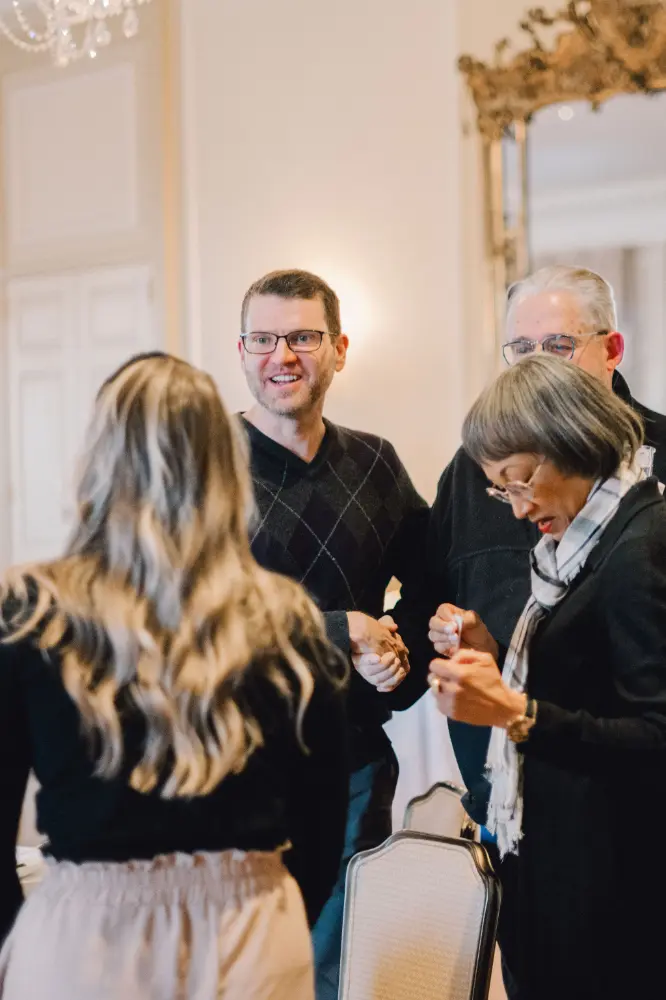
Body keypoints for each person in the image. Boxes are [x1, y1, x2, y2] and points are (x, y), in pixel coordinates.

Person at [0, 353, 350, 1000]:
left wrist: (22, 942)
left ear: (98, 459)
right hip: (250, 930)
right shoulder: (286, 623)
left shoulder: (30, 614)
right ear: (225, 468)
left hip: (83, 937)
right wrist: (271, 916)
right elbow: (324, 821)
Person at [429, 355, 666, 1000]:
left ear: (573, 438)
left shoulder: (637, 551)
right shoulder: (583, 546)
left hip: (615, 890)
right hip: (570, 866)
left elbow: (655, 736)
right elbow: (589, 681)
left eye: (520, 480)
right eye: (500, 489)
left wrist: (515, 712)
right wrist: (495, 651)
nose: (516, 508)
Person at [237, 269, 430, 1000]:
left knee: (329, 971)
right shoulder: (208, 466)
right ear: (242, 349)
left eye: (303, 337)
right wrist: (335, 629)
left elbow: (430, 582)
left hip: (352, 763)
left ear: (339, 349)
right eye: (263, 338)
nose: (281, 355)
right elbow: (189, 614)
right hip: (234, 761)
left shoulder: (375, 464)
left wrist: (398, 654)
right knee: (247, 967)